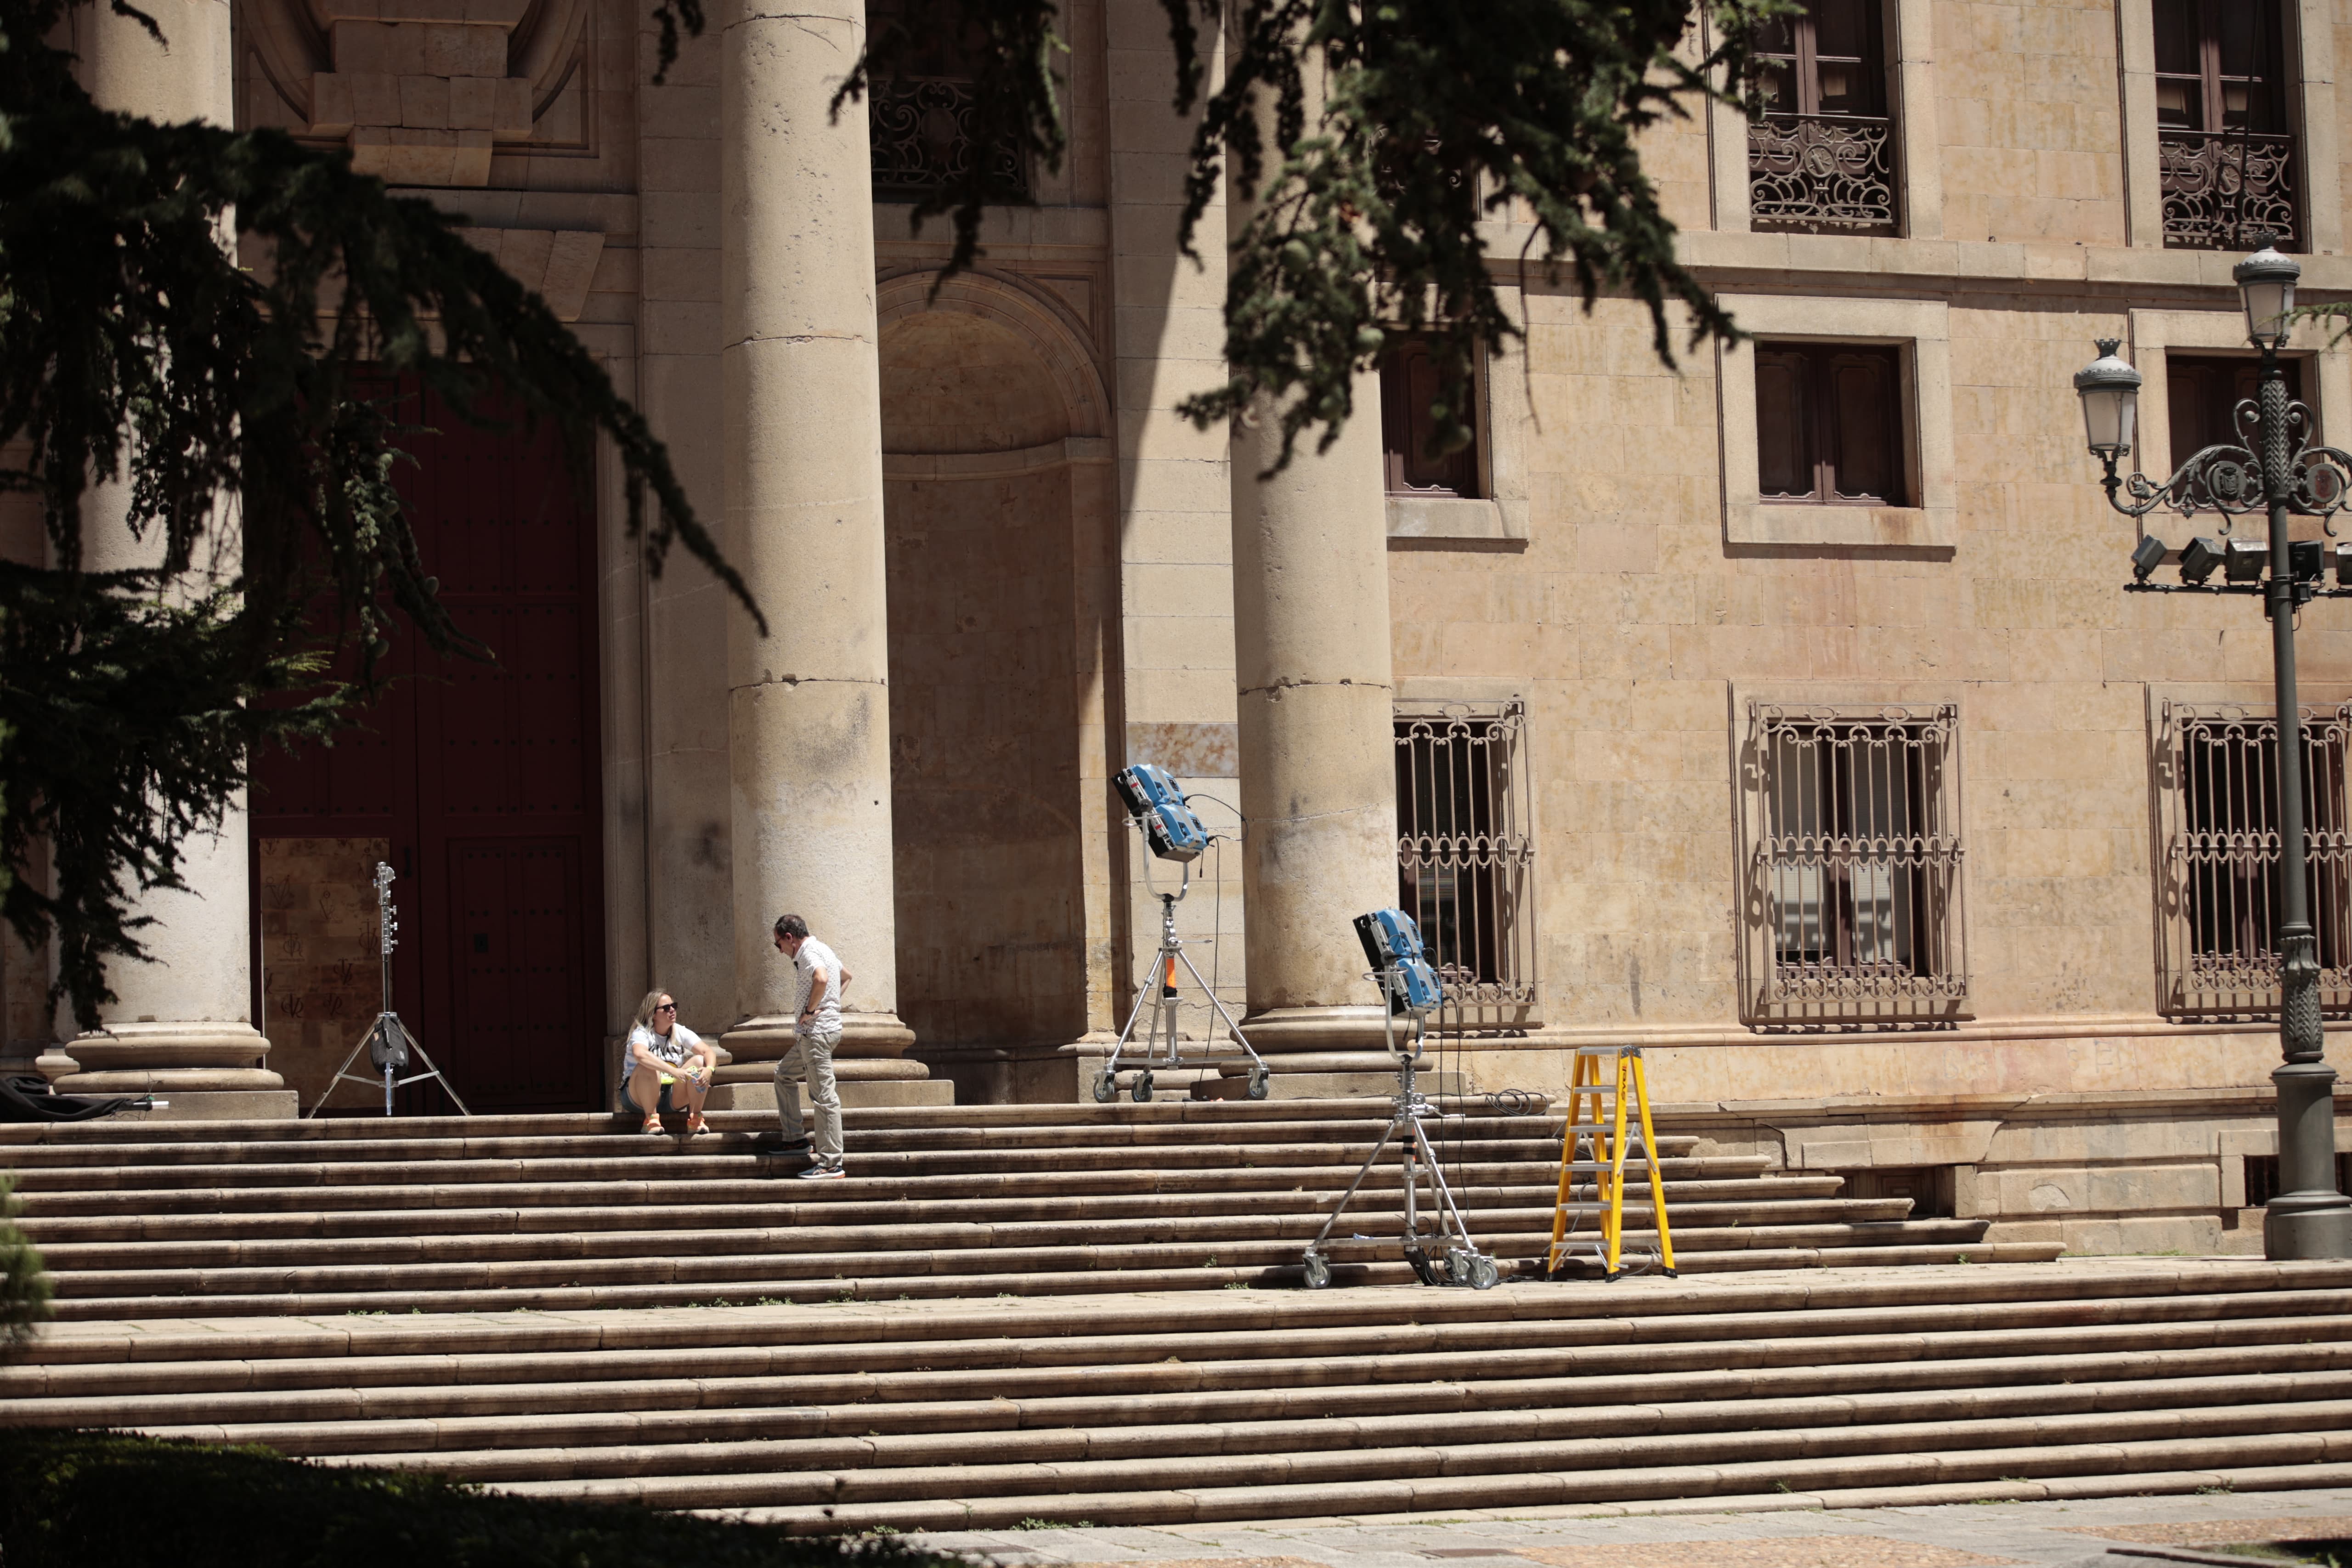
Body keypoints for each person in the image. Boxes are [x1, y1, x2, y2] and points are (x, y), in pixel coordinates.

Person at [772, 913, 848, 1177]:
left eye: (778, 944)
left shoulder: (806, 953)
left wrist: (812, 1009)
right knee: (784, 1075)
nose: (780, 950)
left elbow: (822, 978)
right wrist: (828, 1006)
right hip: (815, 1034)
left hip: (815, 1035)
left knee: (824, 1097)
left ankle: (831, 1163)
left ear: (790, 938)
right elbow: (846, 976)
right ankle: (795, 1139)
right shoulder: (823, 947)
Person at [623, 988, 715, 1136]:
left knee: (699, 1062)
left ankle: (695, 1119)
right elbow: (640, 1054)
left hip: (671, 1096)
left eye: (674, 1006)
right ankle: (651, 1120)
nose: (672, 1010)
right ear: (653, 1014)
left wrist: (709, 1070)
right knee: (648, 1066)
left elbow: (708, 1052)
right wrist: (674, 1071)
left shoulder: (679, 1031)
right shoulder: (642, 1033)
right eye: (666, 1008)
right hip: (637, 1097)